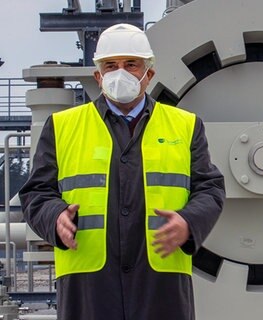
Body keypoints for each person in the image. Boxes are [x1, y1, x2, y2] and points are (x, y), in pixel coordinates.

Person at [19, 23, 225, 320]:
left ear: (148, 74)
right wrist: (54, 217)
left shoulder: (186, 126)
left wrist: (189, 223)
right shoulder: (63, 126)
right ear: (98, 76)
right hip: (88, 285)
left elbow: (211, 188)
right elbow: (36, 193)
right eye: (110, 65)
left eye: (131, 64)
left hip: (159, 283)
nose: (120, 72)